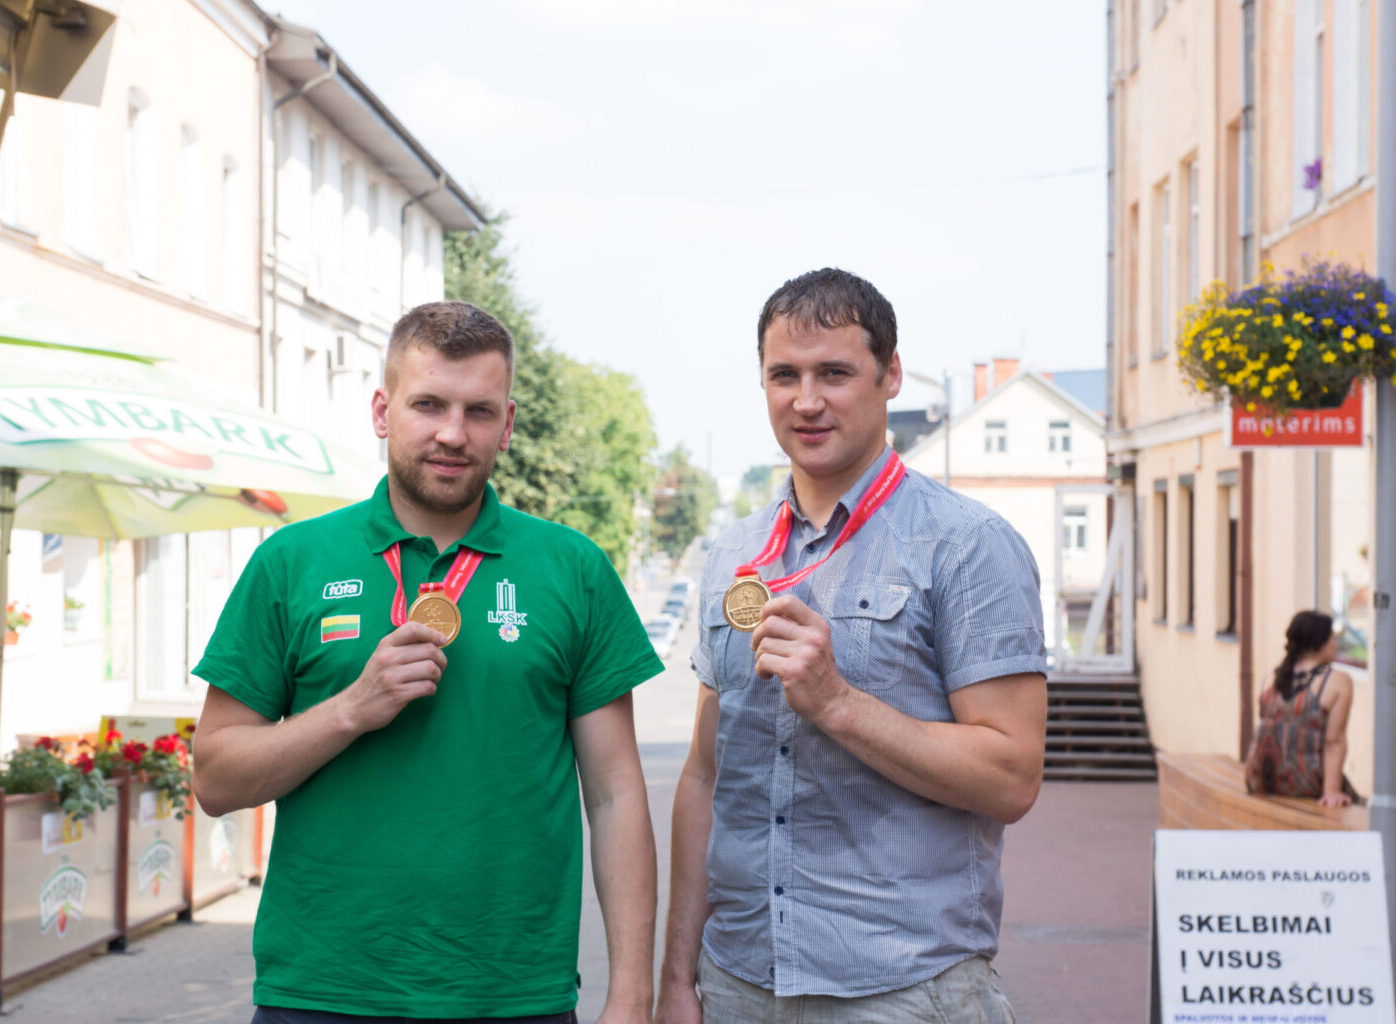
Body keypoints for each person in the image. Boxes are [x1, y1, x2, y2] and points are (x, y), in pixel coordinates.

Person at [191, 301, 663, 1023]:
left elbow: (617, 794)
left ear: (507, 425)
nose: (451, 433)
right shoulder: (291, 562)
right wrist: (350, 709)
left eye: (479, 411)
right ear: (383, 411)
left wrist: (631, 993)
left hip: (514, 997)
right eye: (428, 404)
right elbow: (216, 779)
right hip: (321, 994)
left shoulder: (573, 569)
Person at [654, 268, 1048, 1024]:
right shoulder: (733, 555)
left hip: (903, 989)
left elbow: (1012, 778)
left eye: (834, 372)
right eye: (784, 375)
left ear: (890, 374)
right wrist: (679, 980)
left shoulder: (967, 546)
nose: (806, 400)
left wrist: (838, 703)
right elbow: (706, 776)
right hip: (738, 982)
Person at [1245, 610, 1357, 807]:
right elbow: (1334, 741)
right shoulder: (1337, 681)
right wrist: (1332, 792)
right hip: (1305, 783)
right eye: (1332, 638)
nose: (1336, 645)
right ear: (1319, 642)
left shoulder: (1270, 677)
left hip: (1260, 780)